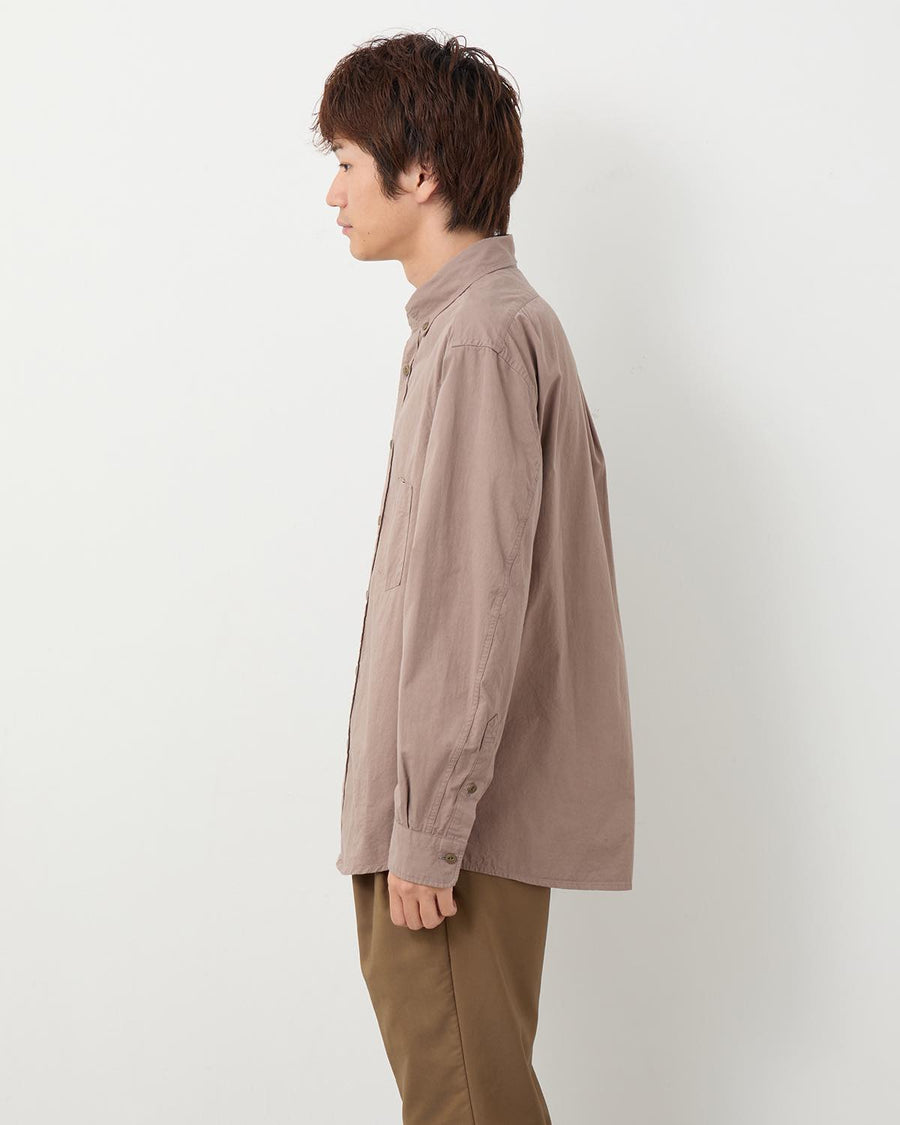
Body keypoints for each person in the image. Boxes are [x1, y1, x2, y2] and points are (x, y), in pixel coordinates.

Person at [312, 31, 635, 1125]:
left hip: (449, 835)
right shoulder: (478, 328)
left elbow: (471, 606)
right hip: (452, 824)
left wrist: (427, 827)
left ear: (421, 173)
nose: (333, 194)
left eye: (347, 163)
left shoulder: (480, 341)